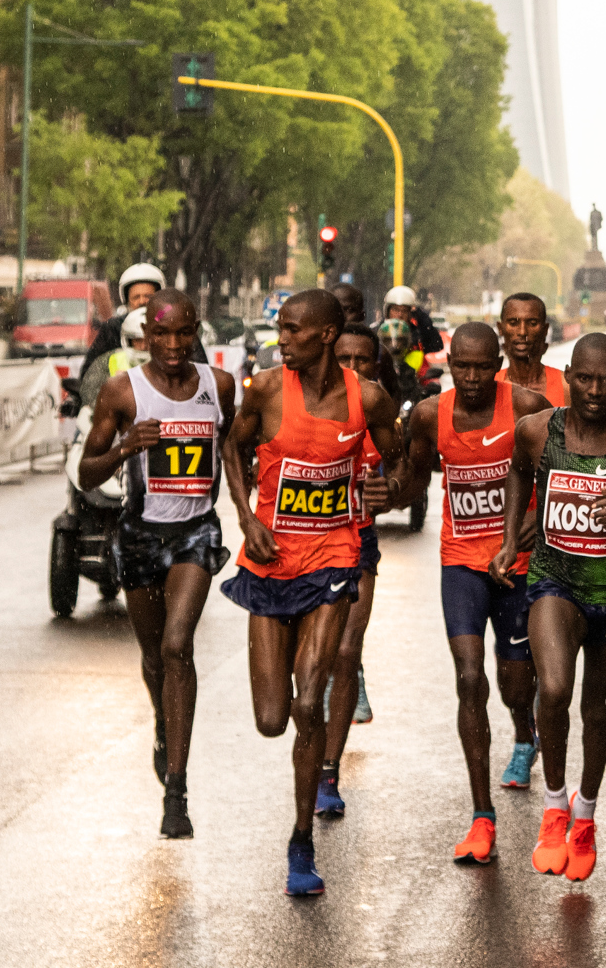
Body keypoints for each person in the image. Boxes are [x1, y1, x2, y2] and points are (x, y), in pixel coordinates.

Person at [218, 288, 406, 896]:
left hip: (333, 558)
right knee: (272, 719)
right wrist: (245, 516)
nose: (283, 339)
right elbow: (231, 445)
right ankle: (307, 793)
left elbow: (401, 462)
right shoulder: (267, 390)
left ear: (326, 334)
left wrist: (387, 490)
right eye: (281, 328)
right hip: (271, 562)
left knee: (308, 704)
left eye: (294, 329)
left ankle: (302, 841)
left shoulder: (368, 399)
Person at [495, 333, 606, 881]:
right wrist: (510, 540)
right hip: (555, 581)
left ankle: (586, 811)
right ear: (569, 375)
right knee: (553, 690)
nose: (595, 391)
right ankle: (554, 806)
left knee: (597, 712)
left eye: (605, 381)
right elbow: (517, 473)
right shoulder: (536, 430)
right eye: (585, 379)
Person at [78, 291, 235, 839]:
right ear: (144, 335)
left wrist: (246, 506)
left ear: (196, 332)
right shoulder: (123, 391)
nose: (172, 345)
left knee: (176, 646)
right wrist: (125, 447)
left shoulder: (219, 386)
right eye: (161, 334)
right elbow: (86, 473)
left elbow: (231, 446)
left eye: (183, 333)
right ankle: (164, 721)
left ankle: (176, 791)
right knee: (152, 658)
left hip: (196, 532)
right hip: (141, 534)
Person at [401, 323, 553, 863]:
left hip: (518, 566)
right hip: (461, 563)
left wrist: (535, 520)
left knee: (515, 684)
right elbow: (414, 478)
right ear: (448, 364)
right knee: (469, 679)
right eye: (461, 366)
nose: (470, 377)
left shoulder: (528, 408)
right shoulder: (429, 415)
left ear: (498, 365)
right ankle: (481, 816)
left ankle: (524, 731)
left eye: (481, 367)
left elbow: (562, 471)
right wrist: (384, 493)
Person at [314, 322, 392, 818]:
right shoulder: (301, 404)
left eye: (363, 360)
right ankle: (308, 749)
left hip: (358, 542)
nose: (354, 368)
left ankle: (328, 770)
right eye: (345, 358)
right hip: (304, 546)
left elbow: (404, 468)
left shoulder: (379, 410)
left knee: (345, 653)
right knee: (310, 665)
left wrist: (392, 488)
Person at [79, 263, 206, 399]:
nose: (142, 301)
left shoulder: (176, 325)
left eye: (148, 296)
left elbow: (200, 368)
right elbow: (90, 373)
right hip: (124, 402)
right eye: (136, 297)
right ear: (127, 300)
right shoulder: (113, 328)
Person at [497, 291, 567, 404]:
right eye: (513, 323)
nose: (522, 332)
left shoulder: (567, 387)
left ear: (545, 330)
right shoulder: (489, 385)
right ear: (500, 328)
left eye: (532, 323)